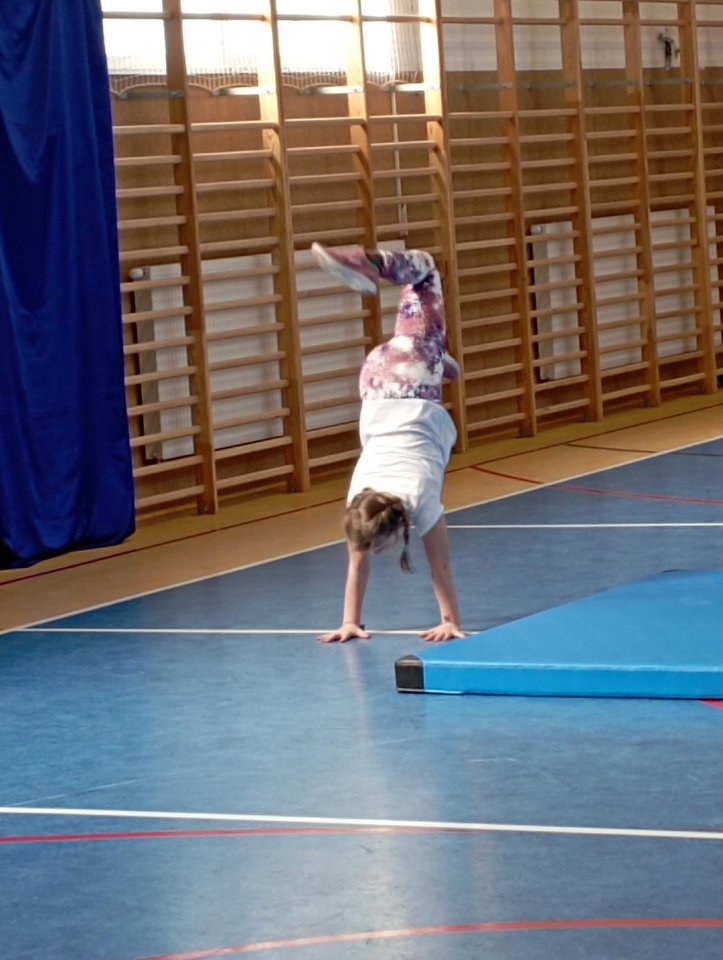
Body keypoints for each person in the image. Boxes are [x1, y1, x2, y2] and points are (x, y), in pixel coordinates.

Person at [311, 242, 465, 644]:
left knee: (425, 267)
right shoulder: (360, 503)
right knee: (420, 330)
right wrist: (350, 622)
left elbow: (441, 566)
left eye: (377, 547)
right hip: (376, 379)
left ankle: (365, 261)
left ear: (398, 526)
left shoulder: (419, 497)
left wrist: (450, 620)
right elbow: (358, 562)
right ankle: (438, 361)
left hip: (409, 378)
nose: (372, 552)